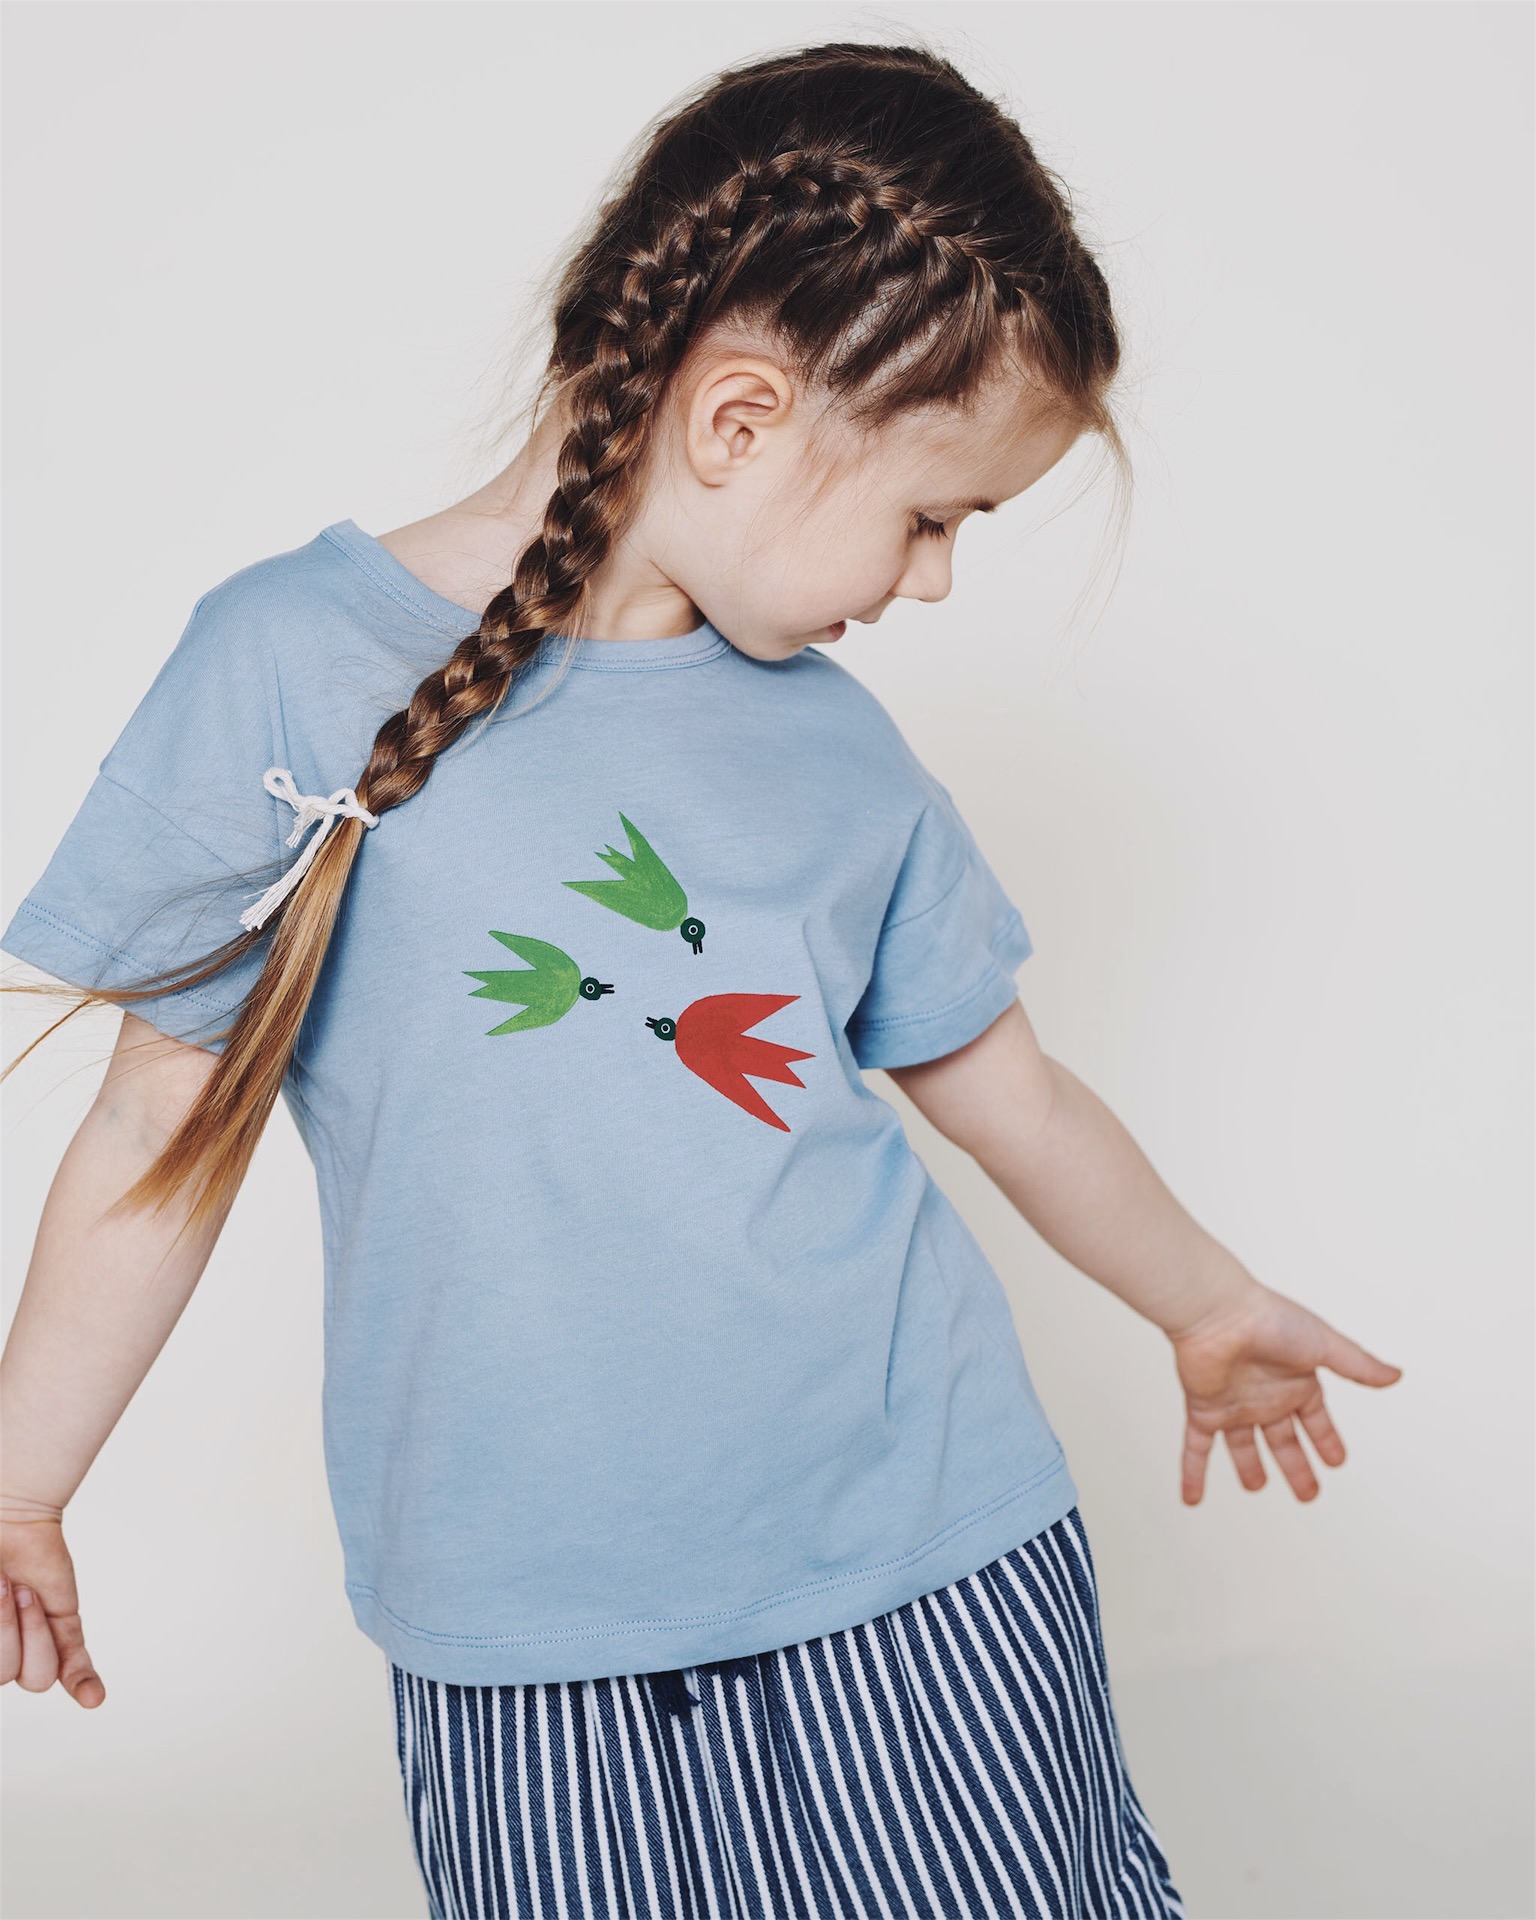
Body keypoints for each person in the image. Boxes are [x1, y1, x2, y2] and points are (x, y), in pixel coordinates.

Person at [0, 39, 1402, 1920]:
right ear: (740, 419)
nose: (932, 584)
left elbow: (1015, 1095)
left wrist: (1208, 1306)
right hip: (523, 1631)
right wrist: (22, 1480)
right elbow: (153, 1128)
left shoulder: (839, 754)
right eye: (932, 517)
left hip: (923, 1570)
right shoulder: (281, 667)